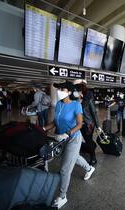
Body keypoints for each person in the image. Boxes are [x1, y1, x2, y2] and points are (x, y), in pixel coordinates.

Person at [43, 81, 95, 209]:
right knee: (74, 157)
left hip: (73, 138)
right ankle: (89, 168)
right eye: (58, 89)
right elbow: (55, 122)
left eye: (62, 89)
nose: (59, 91)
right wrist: (43, 128)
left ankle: (62, 196)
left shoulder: (76, 105)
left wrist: (68, 133)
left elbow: (79, 124)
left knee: (65, 169)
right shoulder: (59, 104)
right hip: (62, 138)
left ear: (70, 92)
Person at [74, 79, 102, 165]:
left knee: (88, 140)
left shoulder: (88, 98)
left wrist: (98, 126)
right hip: (79, 123)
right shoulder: (75, 98)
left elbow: (94, 112)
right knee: (86, 140)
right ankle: (92, 147)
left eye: (77, 89)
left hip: (88, 124)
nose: (75, 91)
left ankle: (93, 157)